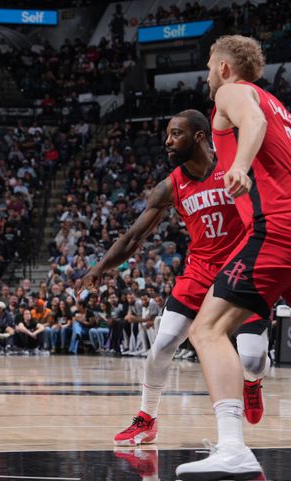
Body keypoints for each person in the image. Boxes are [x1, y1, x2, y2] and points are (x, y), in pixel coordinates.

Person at [83, 109, 270, 449]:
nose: (167, 141)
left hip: (240, 269)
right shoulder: (170, 186)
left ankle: (252, 382)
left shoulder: (235, 167)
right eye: (168, 134)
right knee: (162, 347)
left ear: (199, 136)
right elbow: (132, 237)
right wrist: (100, 267)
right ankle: (146, 418)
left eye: (175, 134)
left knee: (253, 360)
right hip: (198, 272)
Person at [176, 36, 291, 481]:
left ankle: (232, 448)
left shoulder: (232, 93)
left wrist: (240, 164)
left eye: (208, 64)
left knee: (206, 329)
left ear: (224, 67)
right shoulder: (281, 106)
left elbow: (253, 120)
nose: (206, 74)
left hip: (277, 229)